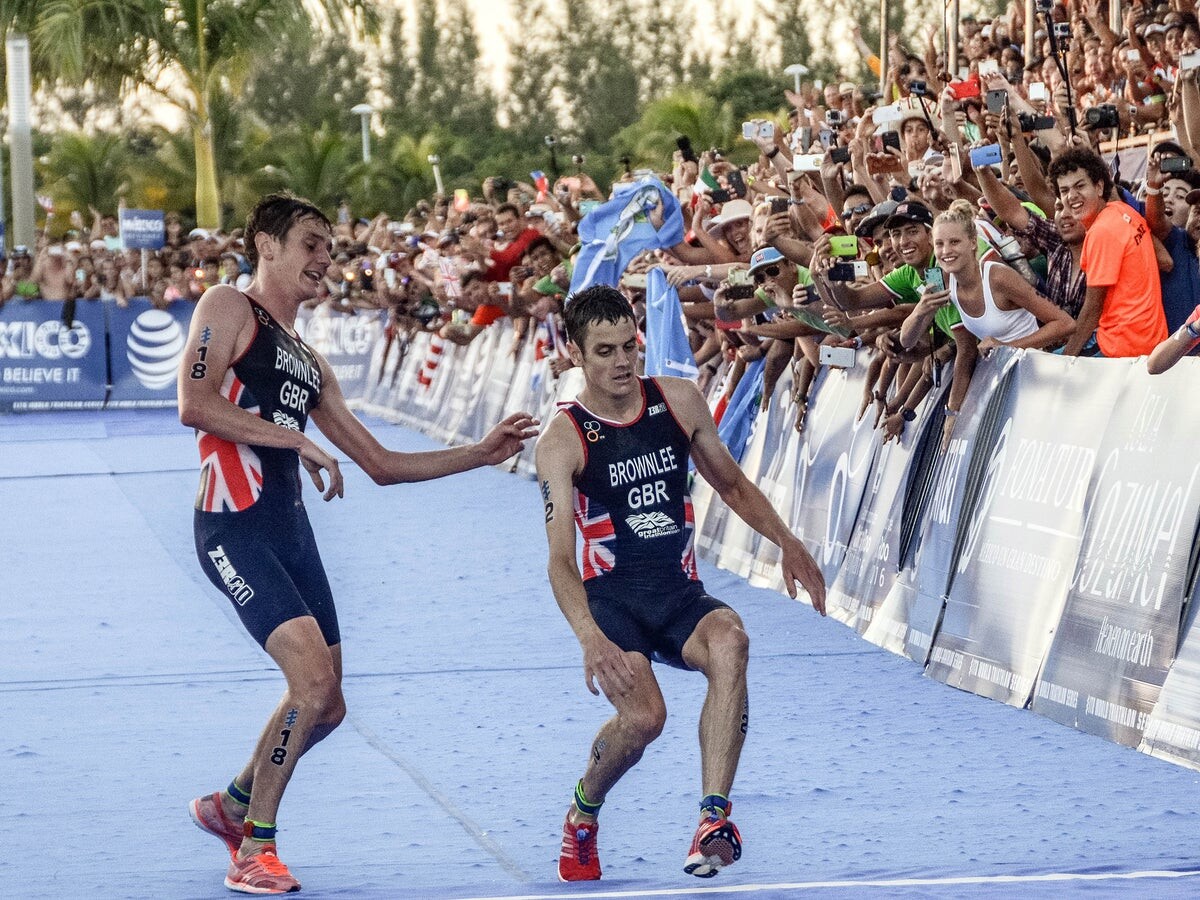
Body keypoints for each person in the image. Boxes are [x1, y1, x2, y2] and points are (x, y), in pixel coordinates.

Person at [179, 192, 537, 895]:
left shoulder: (310, 362)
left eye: (330, 247)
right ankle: (255, 848)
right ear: (266, 245)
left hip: (289, 532)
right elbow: (194, 404)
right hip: (231, 525)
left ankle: (233, 804)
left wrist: (481, 453)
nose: (325, 259)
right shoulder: (227, 307)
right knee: (311, 685)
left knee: (330, 704)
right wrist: (294, 440)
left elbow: (381, 464)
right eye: (310, 244)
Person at [536, 285, 826, 882]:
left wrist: (788, 542)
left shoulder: (679, 401)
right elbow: (560, 560)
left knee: (732, 640)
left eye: (629, 346)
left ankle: (712, 819)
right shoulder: (562, 439)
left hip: (678, 594)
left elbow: (733, 485)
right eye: (605, 351)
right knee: (645, 719)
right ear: (576, 354)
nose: (622, 362)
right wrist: (590, 637)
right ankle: (583, 811)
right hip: (612, 603)